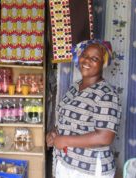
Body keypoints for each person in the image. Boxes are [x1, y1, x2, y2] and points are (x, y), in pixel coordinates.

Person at [46, 40, 121, 178]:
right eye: (85, 55)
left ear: (103, 64)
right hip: (66, 162)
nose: (87, 60)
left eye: (94, 58)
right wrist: (55, 133)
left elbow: (105, 137)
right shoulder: (74, 87)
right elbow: (67, 118)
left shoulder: (107, 94)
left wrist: (64, 140)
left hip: (89, 169)